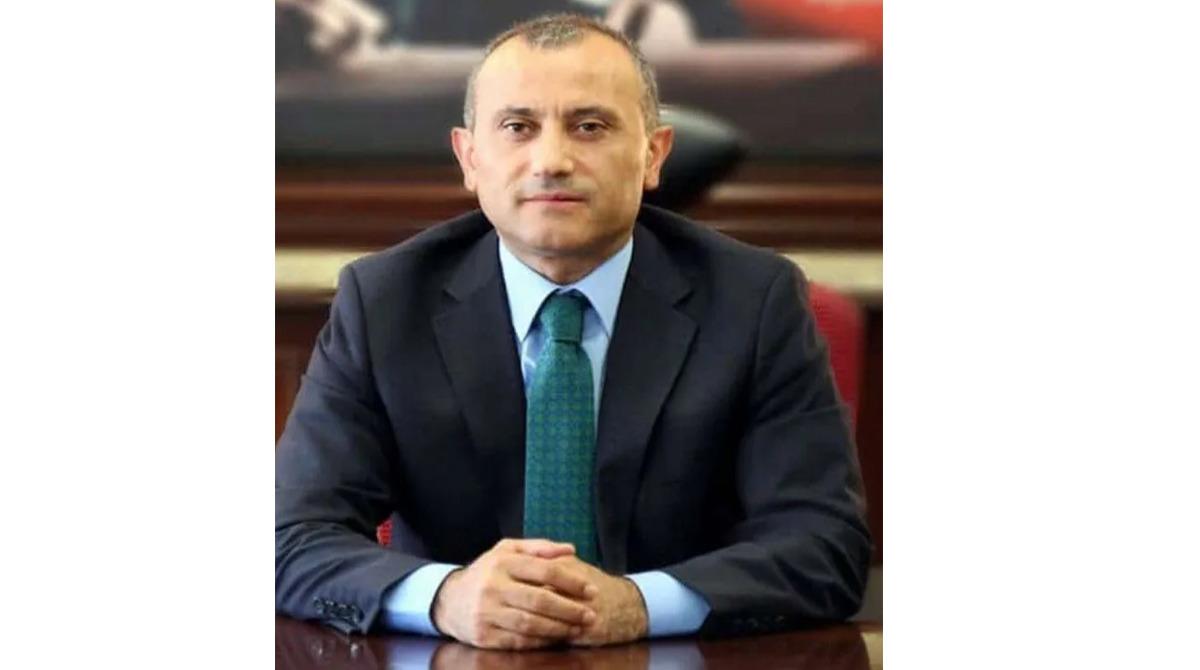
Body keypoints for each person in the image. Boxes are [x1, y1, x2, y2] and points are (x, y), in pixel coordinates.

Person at [275, 12, 871, 650]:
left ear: (653, 155)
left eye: (590, 127)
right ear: (470, 158)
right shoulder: (385, 302)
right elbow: (292, 538)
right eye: (518, 127)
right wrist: (447, 596)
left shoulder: (754, 300)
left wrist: (639, 604)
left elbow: (823, 546)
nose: (552, 161)